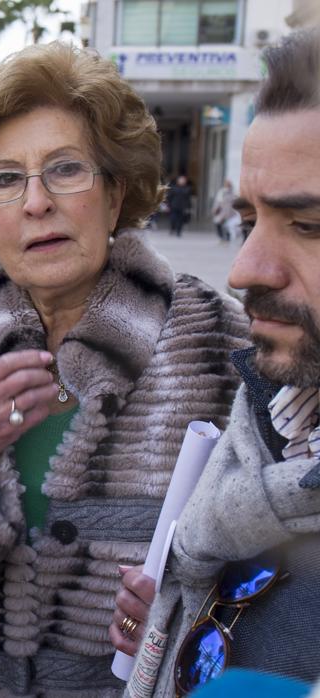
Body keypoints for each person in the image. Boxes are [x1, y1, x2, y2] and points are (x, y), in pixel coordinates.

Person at [0, 43, 249, 697]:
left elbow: (277, 571)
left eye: (65, 169)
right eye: (6, 179)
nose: (35, 203)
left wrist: (189, 614)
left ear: (116, 187)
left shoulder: (217, 342)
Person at [122, 29, 320, 696]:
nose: (244, 270)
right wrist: (181, 620)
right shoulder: (269, 415)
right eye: (247, 221)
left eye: (310, 225)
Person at [210, 179, 237, 244]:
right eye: (226, 184)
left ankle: (227, 238)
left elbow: (235, 202)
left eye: (228, 184)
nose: (227, 185)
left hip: (230, 212)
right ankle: (222, 237)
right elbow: (217, 201)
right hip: (222, 212)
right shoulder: (221, 192)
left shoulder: (233, 193)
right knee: (218, 223)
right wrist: (214, 208)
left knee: (227, 225)